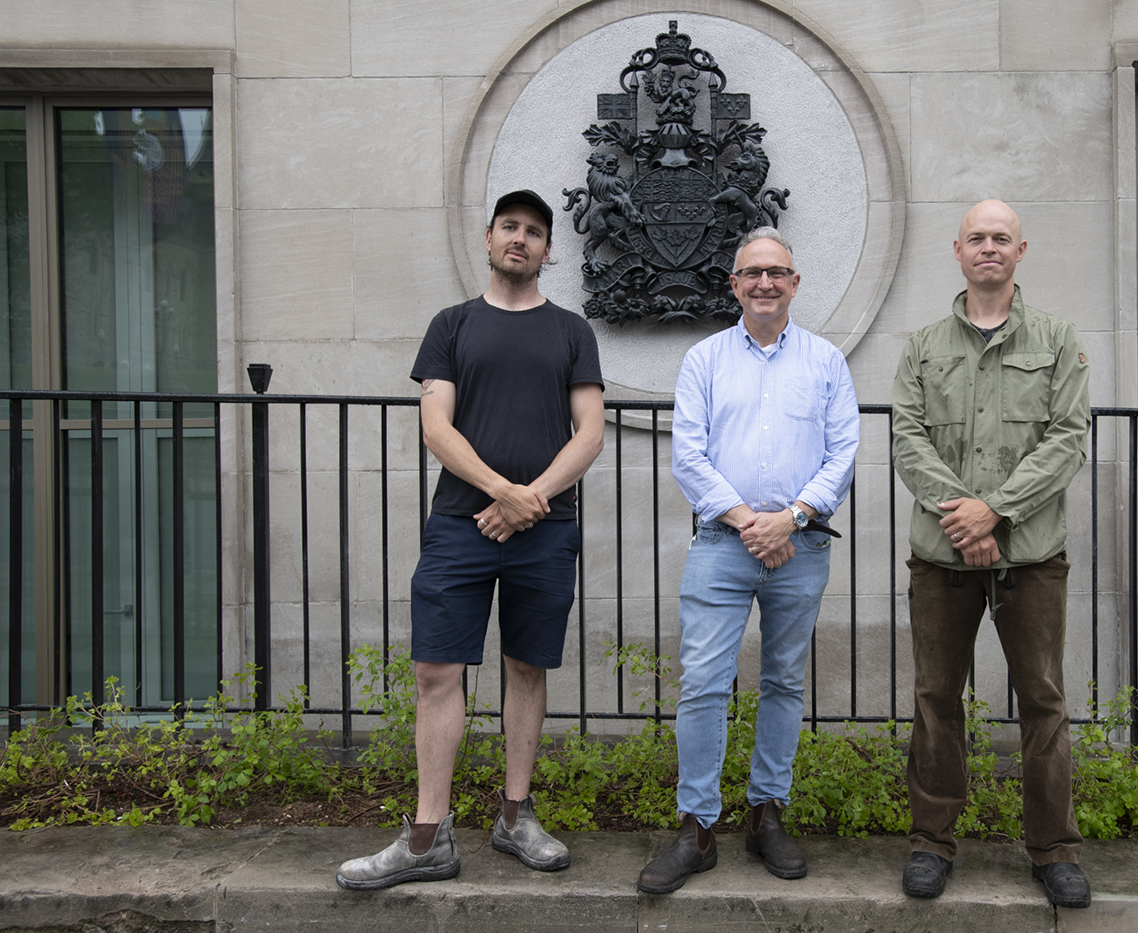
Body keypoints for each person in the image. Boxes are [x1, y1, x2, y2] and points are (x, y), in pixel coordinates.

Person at [336, 190, 605, 890]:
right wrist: (502, 493)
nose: (521, 239)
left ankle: (515, 815)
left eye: (535, 232)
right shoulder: (451, 325)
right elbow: (437, 428)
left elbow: (590, 432)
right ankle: (428, 836)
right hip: (461, 525)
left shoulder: (573, 331)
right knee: (436, 672)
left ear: (550, 250)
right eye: (510, 227)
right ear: (488, 239)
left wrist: (528, 502)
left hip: (544, 530)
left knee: (526, 667)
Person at [637, 227, 860, 894]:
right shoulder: (704, 361)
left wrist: (790, 518)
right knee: (704, 682)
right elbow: (689, 454)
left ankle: (768, 814)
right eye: (752, 272)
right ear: (733, 285)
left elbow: (843, 450)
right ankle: (697, 827)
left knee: (785, 682)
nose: (765, 282)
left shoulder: (827, 362)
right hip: (722, 547)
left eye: (777, 271)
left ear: (795, 283)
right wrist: (748, 520)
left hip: (803, 545)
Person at [891, 199, 1091, 909]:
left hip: (1032, 556)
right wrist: (965, 517)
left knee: (1043, 701)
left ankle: (1054, 850)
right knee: (935, 699)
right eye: (977, 237)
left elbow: (1068, 438)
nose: (988, 247)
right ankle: (931, 843)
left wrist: (996, 510)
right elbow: (907, 438)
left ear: (1021, 249)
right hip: (941, 559)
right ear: (957, 248)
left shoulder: (1058, 340)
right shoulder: (921, 347)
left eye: (1000, 237)